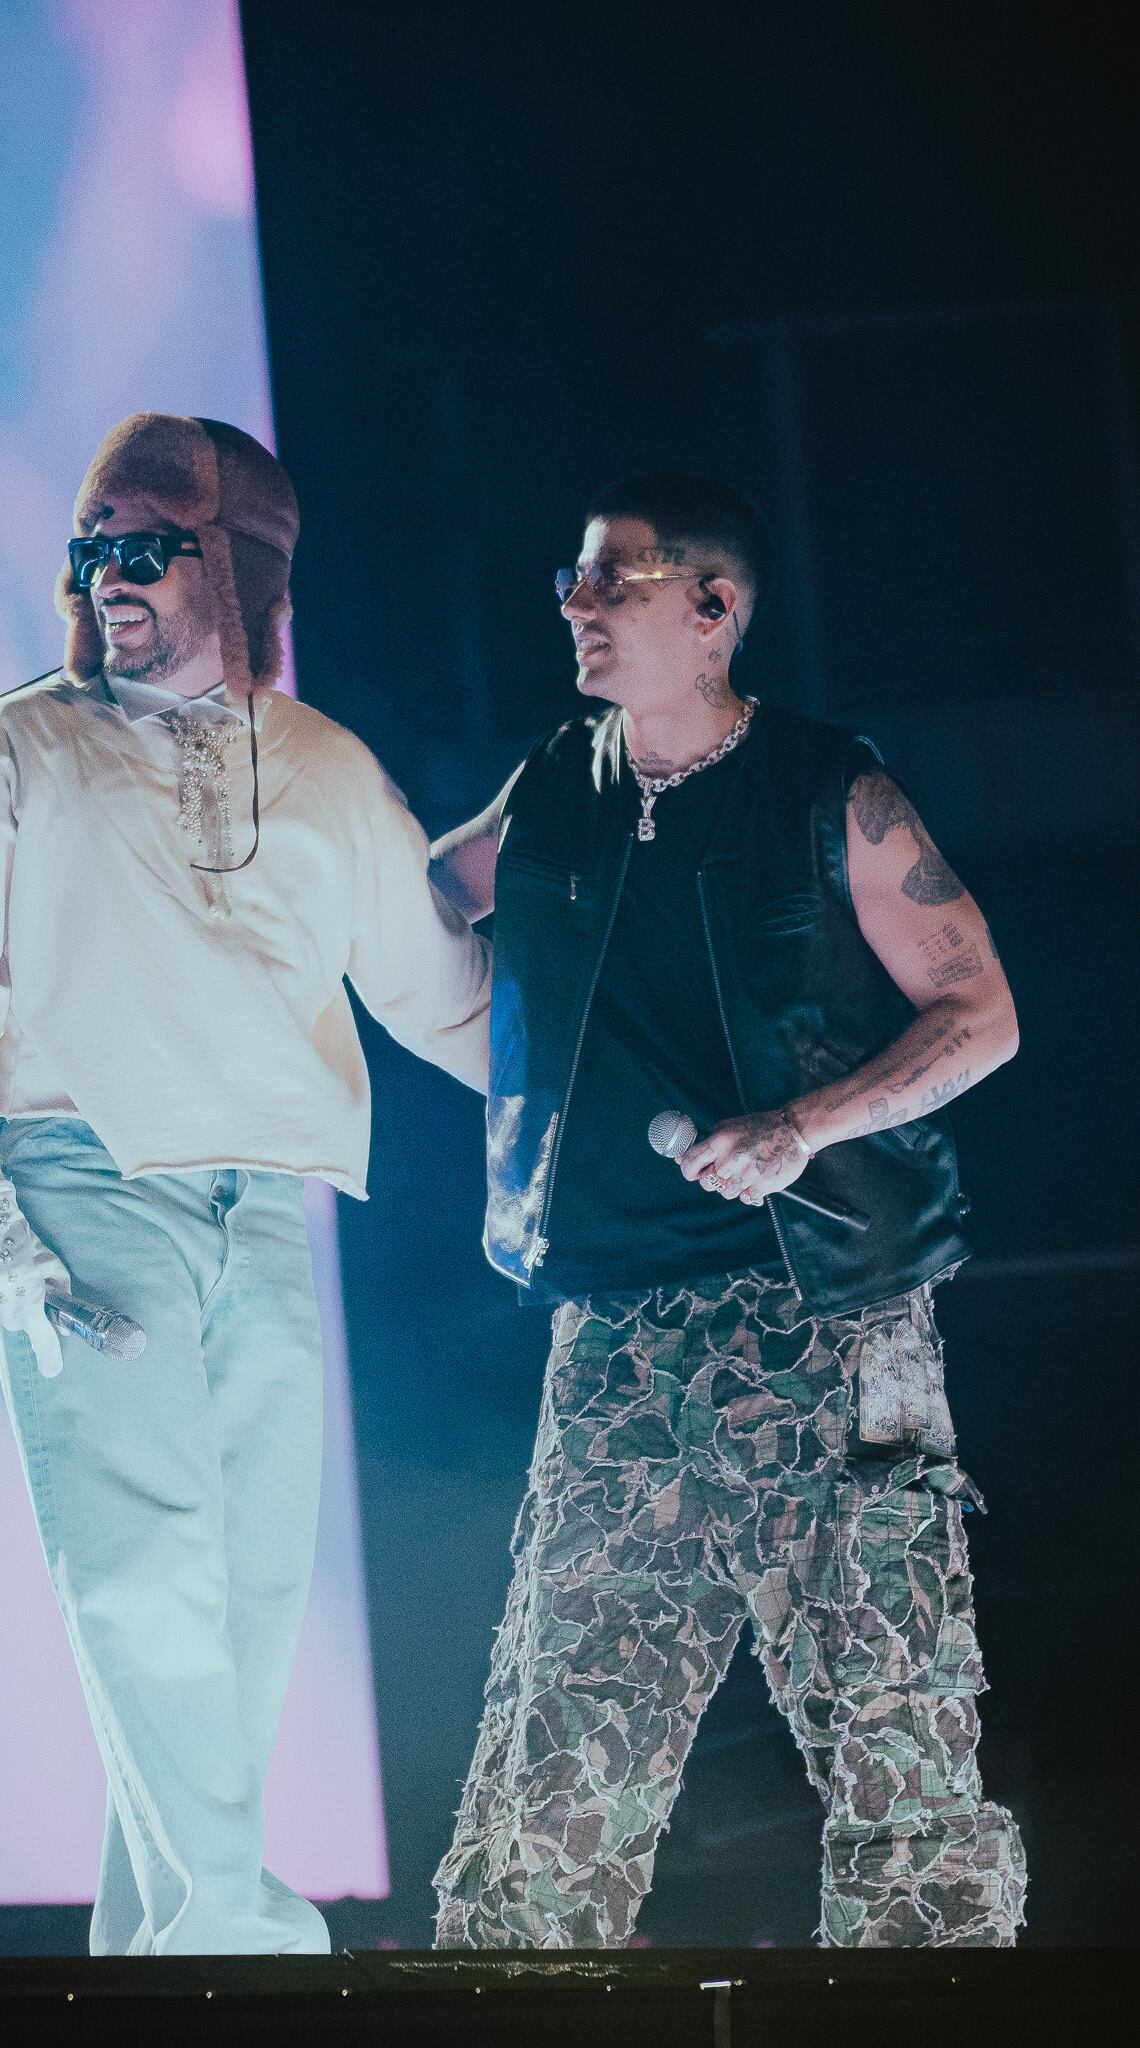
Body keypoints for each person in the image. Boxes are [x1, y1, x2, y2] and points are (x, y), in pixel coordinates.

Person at [0, 412, 491, 1956]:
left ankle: (156, 1956)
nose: (113, 575)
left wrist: (632, 1102)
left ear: (244, 568)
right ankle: (244, 1949)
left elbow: (444, 998)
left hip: (264, 1209)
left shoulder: (323, 770)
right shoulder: (13, 749)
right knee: (143, 1578)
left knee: (241, 1606)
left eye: (149, 546)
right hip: (81, 1190)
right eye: (94, 547)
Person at [428, 473, 1026, 1948]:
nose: (575, 607)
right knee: (563, 1737)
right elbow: (425, 904)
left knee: (893, 1720)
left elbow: (984, 1014)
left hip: (823, 1312)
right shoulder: (554, 785)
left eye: (609, 583)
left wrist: (801, 1129)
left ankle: (935, 2007)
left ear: (712, 612)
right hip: (619, 1322)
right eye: (570, 583)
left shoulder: (833, 788)